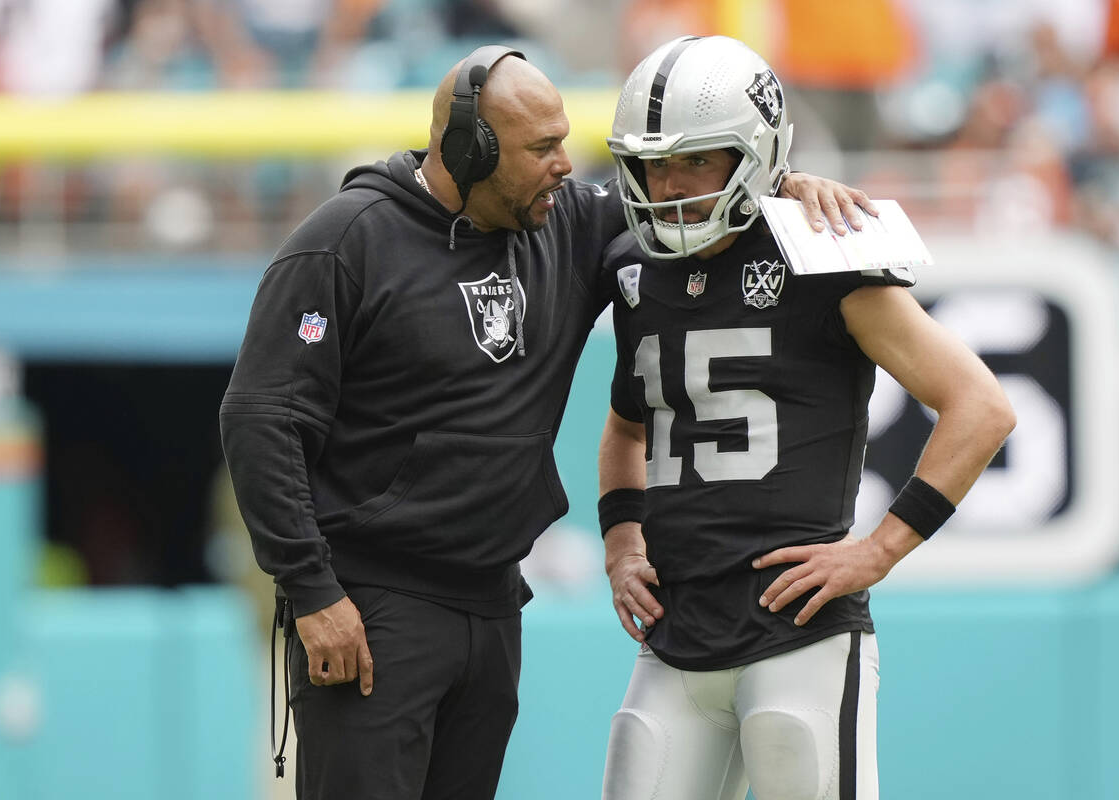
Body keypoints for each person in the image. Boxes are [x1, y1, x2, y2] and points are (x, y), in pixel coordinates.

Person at [220, 42, 880, 800]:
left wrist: (782, 182)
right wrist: (312, 591)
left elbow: (696, 206)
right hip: (371, 606)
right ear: (472, 150)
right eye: (543, 148)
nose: (566, 165)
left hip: (493, 605)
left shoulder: (563, 224)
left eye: (565, 140)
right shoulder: (346, 241)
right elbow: (259, 418)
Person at [596, 35, 1015, 800]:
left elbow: (980, 406)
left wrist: (879, 550)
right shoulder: (633, 269)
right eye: (652, 162)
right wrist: (623, 545)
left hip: (799, 638)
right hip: (675, 635)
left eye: (696, 159)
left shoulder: (821, 251)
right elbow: (627, 425)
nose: (667, 183)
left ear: (756, 154)